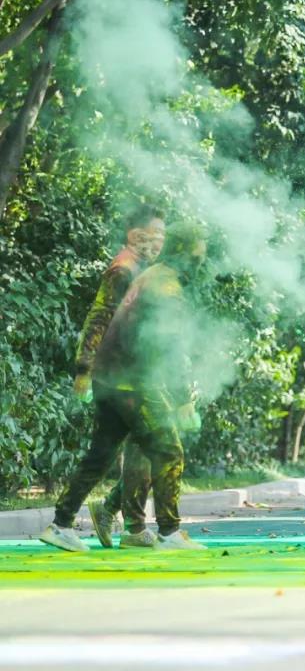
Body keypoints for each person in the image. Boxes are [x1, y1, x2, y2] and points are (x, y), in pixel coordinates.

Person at [41, 223, 209, 552]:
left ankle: (60, 525)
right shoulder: (167, 287)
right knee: (168, 450)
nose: (200, 263)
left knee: (101, 454)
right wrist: (182, 398)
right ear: (183, 253)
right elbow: (170, 345)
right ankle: (169, 532)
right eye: (197, 256)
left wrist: (88, 368)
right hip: (134, 381)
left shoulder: (153, 276)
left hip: (109, 376)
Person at [73, 204, 165, 549]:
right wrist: (84, 369)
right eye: (154, 234)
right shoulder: (123, 269)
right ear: (134, 235)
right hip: (119, 377)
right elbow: (99, 317)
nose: (159, 242)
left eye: (163, 235)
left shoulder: (142, 269)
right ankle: (128, 525)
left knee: (148, 446)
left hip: (135, 374)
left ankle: (113, 513)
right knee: (155, 444)